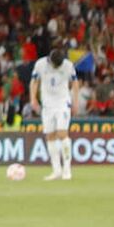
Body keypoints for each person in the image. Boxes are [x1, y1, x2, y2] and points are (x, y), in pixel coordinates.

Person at [29, 44, 80, 181]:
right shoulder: (40, 64)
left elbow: (75, 83)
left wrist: (76, 102)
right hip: (47, 104)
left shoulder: (68, 65)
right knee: (50, 136)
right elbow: (34, 81)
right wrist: (33, 98)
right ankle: (56, 170)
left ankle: (67, 170)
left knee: (62, 133)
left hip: (62, 103)